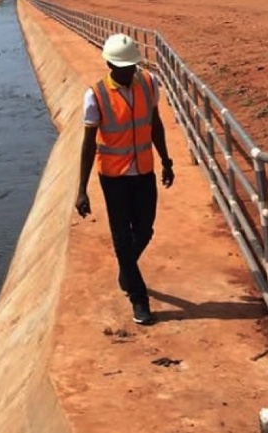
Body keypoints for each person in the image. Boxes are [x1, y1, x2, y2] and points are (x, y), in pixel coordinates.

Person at [75, 33, 175, 325]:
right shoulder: (95, 95)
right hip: (114, 177)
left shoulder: (149, 83)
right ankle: (139, 299)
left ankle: (126, 268)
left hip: (144, 170)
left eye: (132, 66)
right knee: (122, 236)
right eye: (122, 67)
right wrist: (82, 190)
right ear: (108, 63)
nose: (128, 72)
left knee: (145, 230)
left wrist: (167, 161)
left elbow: (154, 124)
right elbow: (88, 143)